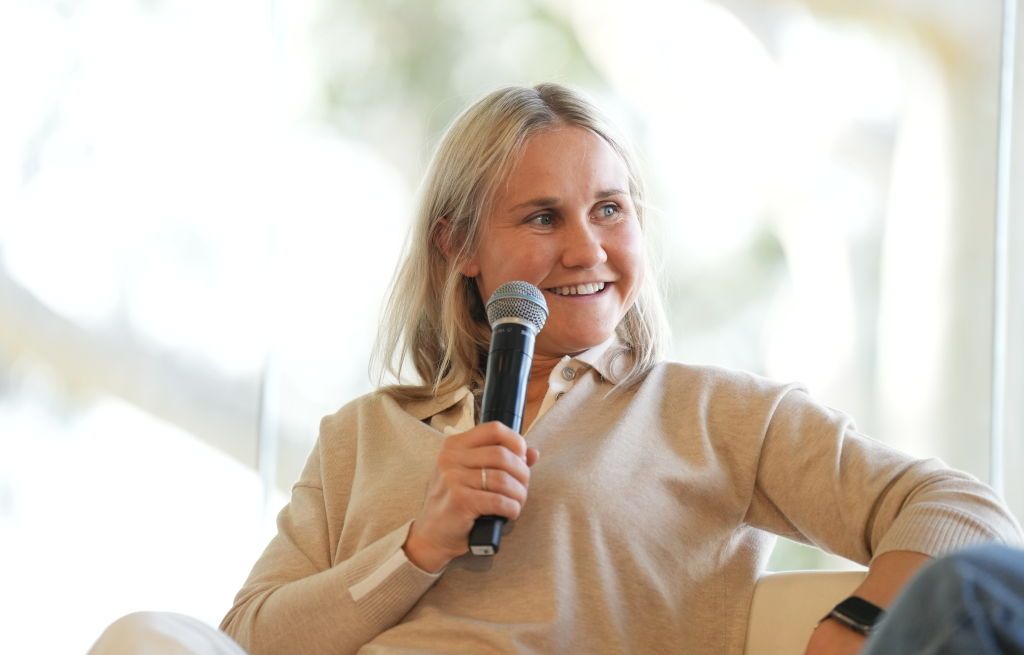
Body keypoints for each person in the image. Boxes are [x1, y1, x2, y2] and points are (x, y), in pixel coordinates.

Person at [90, 83, 1022, 655]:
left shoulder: (713, 414)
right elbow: (246, 641)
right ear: (459, 245)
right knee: (143, 636)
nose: (588, 247)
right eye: (542, 217)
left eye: (610, 210)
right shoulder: (364, 435)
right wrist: (418, 545)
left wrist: (857, 624)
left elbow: (963, 511)